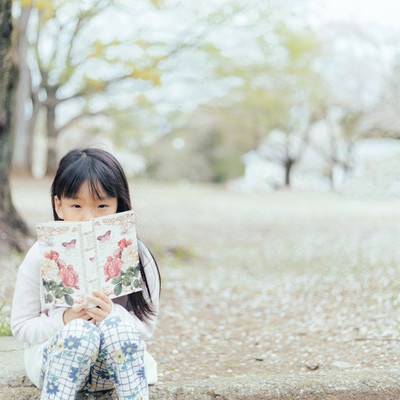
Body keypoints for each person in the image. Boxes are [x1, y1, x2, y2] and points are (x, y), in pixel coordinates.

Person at [11, 148, 161, 400]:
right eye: (76, 205)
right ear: (59, 205)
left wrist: (112, 315)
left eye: (102, 205)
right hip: (56, 363)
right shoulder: (41, 253)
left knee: (117, 327)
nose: (88, 217)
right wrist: (66, 319)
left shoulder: (137, 253)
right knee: (80, 332)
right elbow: (22, 326)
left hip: (114, 368)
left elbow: (146, 327)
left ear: (118, 205)